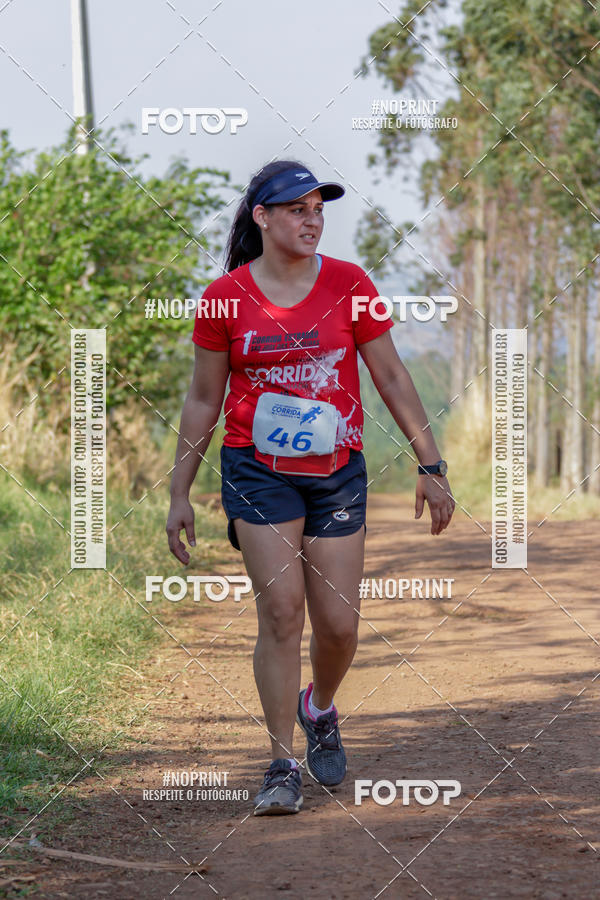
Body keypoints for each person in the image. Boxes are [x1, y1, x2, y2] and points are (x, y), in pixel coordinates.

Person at [166, 159, 454, 816]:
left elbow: (391, 377)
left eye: (318, 209)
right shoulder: (224, 297)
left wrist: (431, 466)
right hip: (256, 469)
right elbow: (204, 398)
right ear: (262, 217)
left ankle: (318, 706)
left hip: (335, 474)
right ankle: (280, 764)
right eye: (297, 209)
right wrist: (179, 492)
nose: (312, 220)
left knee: (340, 627)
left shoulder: (350, 284)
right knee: (280, 611)